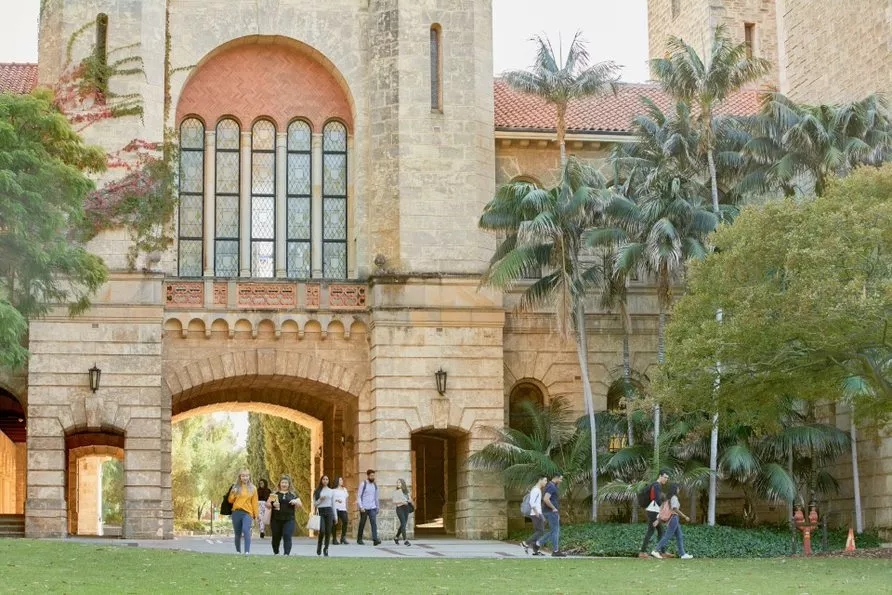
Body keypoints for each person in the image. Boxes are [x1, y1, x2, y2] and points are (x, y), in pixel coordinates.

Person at [652, 484, 693, 559]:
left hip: (673, 519)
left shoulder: (668, 499)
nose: (679, 490)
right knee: (667, 536)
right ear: (675, 489)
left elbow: (663, 511)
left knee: (679, 536)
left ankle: (683, 554)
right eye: (678, 488)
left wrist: (658, 520)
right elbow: (675, 509)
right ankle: (655, 550)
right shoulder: (674, 497)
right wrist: (685, 516)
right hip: (673, 518)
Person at [268, 475, 303, 555]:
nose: (284, 484)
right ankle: (276, 552)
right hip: (276, 519)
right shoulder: (275, 494)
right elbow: (267, 504)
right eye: (282, 482)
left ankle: (286, 554)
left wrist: (295, 502)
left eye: (286, 483)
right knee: (276, 537)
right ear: (279, 484)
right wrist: (272, 504)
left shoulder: (293, 494)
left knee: (287, 535)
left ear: (289, 484)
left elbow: (300, 504)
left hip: (289, 519)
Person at [227, 468, 259, 555]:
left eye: (247, 476)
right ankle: (238, 551)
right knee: (237, 533)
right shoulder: (235, 487)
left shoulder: (253, 488)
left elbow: (255, 503)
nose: (245, 478)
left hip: (247, 513)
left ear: (249, 477)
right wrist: (233, 493)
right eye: (243, 476)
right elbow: (230, 500)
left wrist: (256, 515)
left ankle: (247, 551)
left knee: (246, 530)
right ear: (240, 477)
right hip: (236, 512)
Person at [640, 469, 671, 557]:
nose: (666, 479)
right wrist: (664, 509)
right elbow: (657, 500)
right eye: (665, 477)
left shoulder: (656, 485)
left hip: (654, 510)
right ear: (660, 476)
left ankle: (662, 552)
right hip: (653, 511)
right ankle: (642, 552)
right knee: (651, 531)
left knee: (661, 531)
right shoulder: (656, 485)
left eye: (667, 478)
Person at [538, 473, 565, 557]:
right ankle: (555, 551)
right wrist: (554, 508)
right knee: (555, 531)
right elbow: (546, 499)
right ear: (556, 478)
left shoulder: (551, 485)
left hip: (550, 512)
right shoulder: (551, 486)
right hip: (551, 512)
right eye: (560, 479)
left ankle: (538, 543)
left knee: (554, 531)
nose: (561, 481)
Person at [521, 476, 548, 555]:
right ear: (540, 480)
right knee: (540, 531)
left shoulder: (537, 489)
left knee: (538, 531)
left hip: (537, 513)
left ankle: (535, 551)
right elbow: (532, 502)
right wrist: (536, 513)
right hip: (536, 513)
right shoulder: (536, 490)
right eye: (545, 480)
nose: (546, 482)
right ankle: (525, 543)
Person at [356, 469, 381, 545]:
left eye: (373, 476)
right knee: (362, 523)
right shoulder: (363, 484)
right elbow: (359, 496)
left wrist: (377, 507)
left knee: (373, 523)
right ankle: (359, 539)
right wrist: (361, 507)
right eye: (371, 476)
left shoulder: (375, 485)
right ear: (368, 476)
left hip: (372, 507)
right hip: (364, 508)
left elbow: (376, 497)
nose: (372, 477)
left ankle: (375, 539)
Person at [313, 474, 335, 556]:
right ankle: (319, 545)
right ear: (321, 480)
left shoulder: (331, 491)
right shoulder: (317, 491)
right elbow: (315, 504)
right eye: (324, 479)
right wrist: (320, 499)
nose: (325, 481)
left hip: (329, 511)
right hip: (321, 511)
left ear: (328, 481)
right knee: (322, 530)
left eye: (327, 479)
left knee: (328, 531)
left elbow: (333, 504)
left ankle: (326, 548)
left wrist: (335, 516)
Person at [392, 478, 413, 546]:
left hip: (406, 508)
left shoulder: (406, 491)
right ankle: (405, 540)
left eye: (399, 482)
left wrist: (409, 500)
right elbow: (394, 502)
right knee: (403, 523)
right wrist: (402, 502)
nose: (398, 484)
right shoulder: (396, 492)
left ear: (403, 484)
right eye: (397, 483)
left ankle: (396, 537)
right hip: (399, 508)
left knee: (403, 524)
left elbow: (410, 499)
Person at [332, 476, 350, 545]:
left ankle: (343, 538)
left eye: (342, 480)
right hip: (335, 508)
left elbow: (346, 500)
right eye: (340, 480)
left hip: (343, 509)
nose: (342, 481)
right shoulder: (333, 490)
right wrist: (336, 500)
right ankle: (334, 538)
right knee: (335, 523)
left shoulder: (344, 489)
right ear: (337, 481)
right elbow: (332, 500)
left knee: (345, 521)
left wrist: (347, 508)